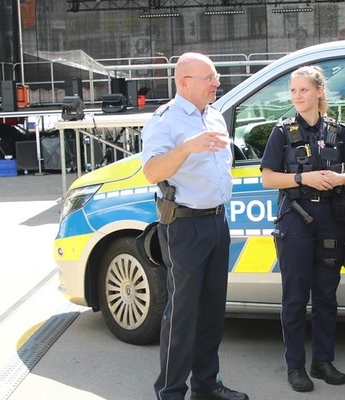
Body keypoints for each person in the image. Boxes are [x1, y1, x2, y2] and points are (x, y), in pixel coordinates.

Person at [141, 52, 248, 400]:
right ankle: (170, 391)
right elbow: (153, 171)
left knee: (213, 311)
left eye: (216, 77)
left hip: (217, 222)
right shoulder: (165, 120)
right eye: (210, 78)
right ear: (184, 82)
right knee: (183, 314)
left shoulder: (215, 116)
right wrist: (187, 147)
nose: (217, 83)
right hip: (185, 227)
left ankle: (207, 384)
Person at [259, 65, 345, 393]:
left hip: (332, 217)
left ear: (319, 92)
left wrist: (342, 178)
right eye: (293, 91)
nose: (297, 96)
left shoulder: (338, 130)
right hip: (296, 218)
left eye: (303, 90)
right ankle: (295, 367)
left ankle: (323, 361)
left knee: (326, 296)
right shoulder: (282, 131)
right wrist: (303, 178)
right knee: (294, 297)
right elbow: (268, 177)